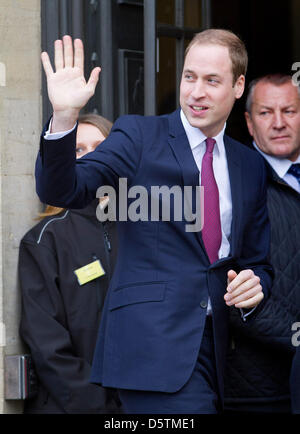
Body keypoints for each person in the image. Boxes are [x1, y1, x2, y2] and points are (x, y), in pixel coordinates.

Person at [35, 30, 273, 414]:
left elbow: (259, 262)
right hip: (152, 349)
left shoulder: (249, 165)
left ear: (239, 85)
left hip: (222, 354)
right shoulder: (139, 136)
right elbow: (63, 191)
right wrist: (64, 117)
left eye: (212, 81)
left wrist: (256, 283)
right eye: (189, 76)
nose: (196, 91)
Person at [19, 113, 121, 414]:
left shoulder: (146, 230)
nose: (91, 156)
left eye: (100, 146)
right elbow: (46, 344)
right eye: (78, 150)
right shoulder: (44, 240)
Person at [224, 73, 300, 413]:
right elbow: (229, 287)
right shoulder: (230, 185)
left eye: (290, 111)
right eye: (266, 113)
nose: (279, 123)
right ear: (249, 122)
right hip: (260, 386)